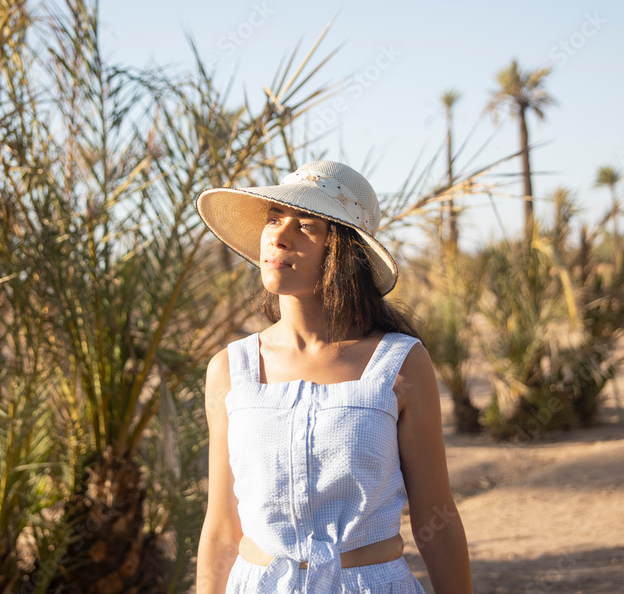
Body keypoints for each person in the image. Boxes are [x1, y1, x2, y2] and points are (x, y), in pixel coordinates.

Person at [194, 160, 472, 593]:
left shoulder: (399, 363)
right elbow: (221, 527)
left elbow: (437, 518)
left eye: (306, 225)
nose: (278, 235)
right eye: (273, 219)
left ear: (342, 252)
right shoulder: (231, 370)